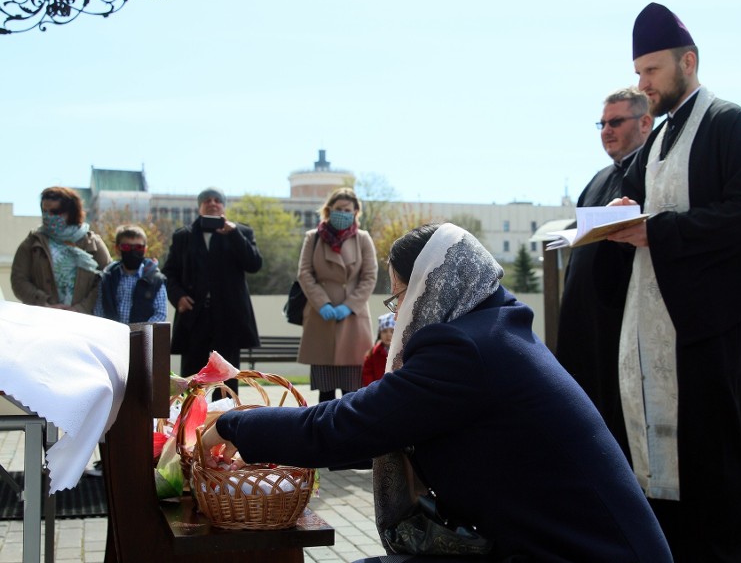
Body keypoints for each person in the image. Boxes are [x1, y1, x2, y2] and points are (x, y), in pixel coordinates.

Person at [201, 223, 673, 562]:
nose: (400, 310)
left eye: (401, 295)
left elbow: (342, 426)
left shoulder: (466, 348)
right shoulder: (493, 330)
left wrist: (229, 424)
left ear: (435, 286)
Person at [605, 3, 741, 561]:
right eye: (638, 72)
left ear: (688, 61)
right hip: (654, 328)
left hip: (708, 334)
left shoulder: (730, 124)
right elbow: (640, 204)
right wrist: (623, 210)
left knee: (711, 465)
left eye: (652, 70)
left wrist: (658, 231)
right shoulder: (657, 139)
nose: (644, 83)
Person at [555, 86, 652, 459]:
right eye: (602, 123)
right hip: (582, 320)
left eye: (616, 121)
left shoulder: (651, 173)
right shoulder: (596, 180)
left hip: (621, 322)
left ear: (645, 122)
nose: (606, 130)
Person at [161, 187, 262, 396]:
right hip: (194, 317)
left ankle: (225, 421)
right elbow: (169, 273)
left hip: (228, 318)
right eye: (207, 200)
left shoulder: (241, 232)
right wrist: (178, 296)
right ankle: (189, 423)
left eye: (217, 200)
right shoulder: (183, 236)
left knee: (226, 377)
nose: (212, 203)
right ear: (200, 207)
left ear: (223, 206)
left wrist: (234, 234)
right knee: (191, 379)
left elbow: (254, 264)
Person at [296, 187, 377, 403]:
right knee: (325, 391)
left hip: (353, 319)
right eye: (338, 208)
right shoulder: (313, 238)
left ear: (355, 212)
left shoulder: (363, 239)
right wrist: (321, 303)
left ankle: (349, 434)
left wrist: (349, 305)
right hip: (321, 318)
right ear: (329, 210)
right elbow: (304, 273)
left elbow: (369, 276)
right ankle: (324, 433)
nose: (343, 213)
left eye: (347, 209)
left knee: (352, 391)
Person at [11, 186, 111, 313]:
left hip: (85, 320)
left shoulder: (92, 242)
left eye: (54, 212)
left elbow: (107, 279)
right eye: (44, 211)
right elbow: (18, 280)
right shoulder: (33, 242)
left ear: (71, 212)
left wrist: (80, 309)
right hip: (44, 317)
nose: (48, 216)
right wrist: (44, 303)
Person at [94, 225, 167, 324]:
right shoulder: (107, 278)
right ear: (117, 249)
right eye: (126, 247)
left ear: (145, 249)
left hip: (142, 337)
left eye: (138, 247)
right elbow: (99, 311)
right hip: (113, 335)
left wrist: (139, 333)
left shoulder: (155, 280)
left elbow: (160, 314)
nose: (133, 251)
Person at [362, 312, 395, 387]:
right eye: (384, 331)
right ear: (380, 334)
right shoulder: (373, 353)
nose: (388, 335)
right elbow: (367, 373)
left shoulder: (401, 351)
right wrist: (372, 388)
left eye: (392, 331)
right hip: (377, 390)